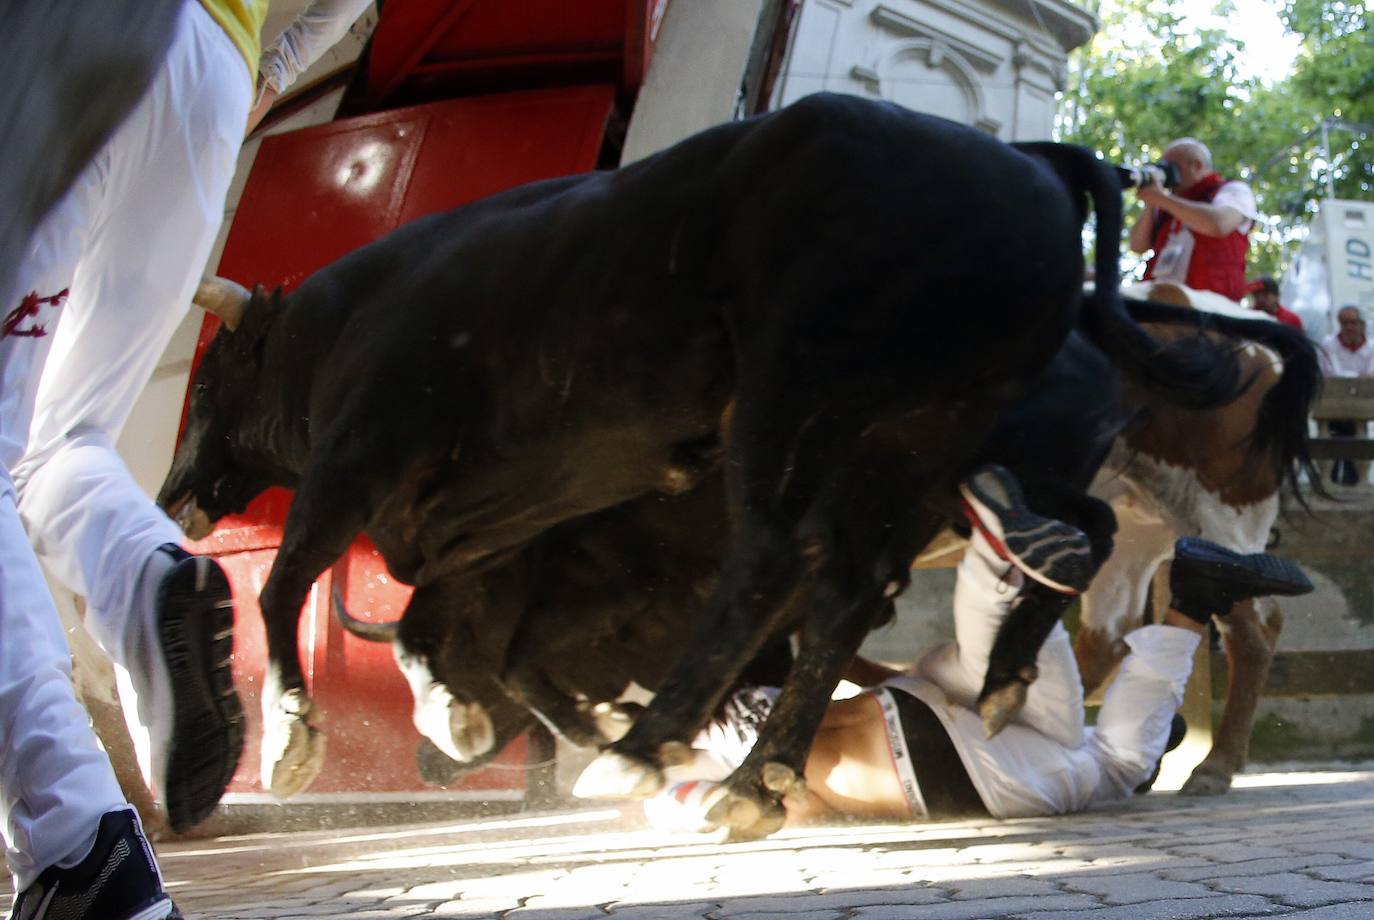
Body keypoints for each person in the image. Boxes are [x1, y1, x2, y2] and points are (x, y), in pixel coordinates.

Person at [0, 2, 371, 917]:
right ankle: (143, 576)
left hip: (66, 42)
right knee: (60, 439)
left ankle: (80, 845)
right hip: (210, 73)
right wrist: (273, 71)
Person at [644, 467, 1314, 833]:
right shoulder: (755, 704)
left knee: (1109, 762)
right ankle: (998, 560)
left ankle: (1183, 600)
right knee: (999, 668)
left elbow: (682, 802)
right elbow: (858, 691)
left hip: (946, 769)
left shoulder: (705, 739)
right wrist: (830, 652)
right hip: (923, 708)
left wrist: (691, 802)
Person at [1128, 137, 1259, 302]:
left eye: (1172, 167)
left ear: (1197, 165)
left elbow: (1218, 225)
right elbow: (1138, 245)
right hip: (1158, 303)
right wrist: (1150, 203)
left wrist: (1162, 199)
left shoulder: (1233, 191)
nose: (1167, 173)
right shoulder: (1167, 205)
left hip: (1208, 309)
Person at [1317, 306, 1374, 486]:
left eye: (1353, 322)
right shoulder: (1328, 344)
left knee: (1356, 445)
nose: (1350, 327)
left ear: (1361, 324)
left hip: (1359, 406)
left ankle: (1354, 482)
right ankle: (1330, 482)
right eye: (1345, 323)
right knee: (1331, 445)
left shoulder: (1371, 347)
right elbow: (1326, 372)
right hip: (1333, 404)